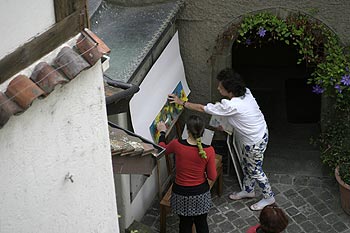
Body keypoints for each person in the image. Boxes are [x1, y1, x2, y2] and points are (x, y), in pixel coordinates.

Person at [168, 68, 275, 211]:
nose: (218, 88)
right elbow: (238, 116)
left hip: (253, 141)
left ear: (230, 90)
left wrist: (182, 102)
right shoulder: (246, 93)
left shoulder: (232, 105)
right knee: (247, 165)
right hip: (258, 134)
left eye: (221, 86)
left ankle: (269, 197)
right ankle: (249, 190)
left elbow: (202, 108)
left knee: (256, 170)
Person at [157, 115, 217, 233]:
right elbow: (212, 176)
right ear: (203, 132)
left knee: (184, 224)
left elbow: (162, 149)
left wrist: (162, 133)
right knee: (201, 223)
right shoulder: (209, 151)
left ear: (187, 130)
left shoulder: (177, 145)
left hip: (180, 193)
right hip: (200, 193)